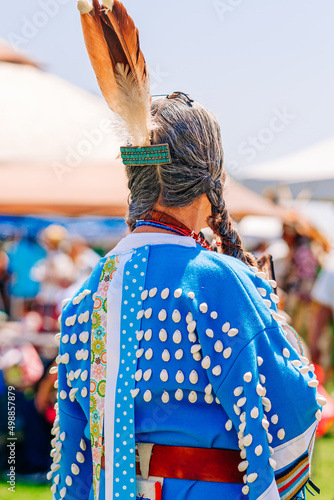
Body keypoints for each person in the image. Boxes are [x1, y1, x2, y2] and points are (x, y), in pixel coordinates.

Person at [49, 2, 324, 499]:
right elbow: (292, 409)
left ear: (136, 180)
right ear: (208, 184)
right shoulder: (218, 279)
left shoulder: (83, 296)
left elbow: (72, 456)